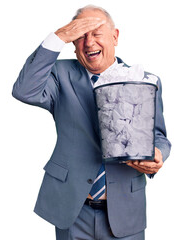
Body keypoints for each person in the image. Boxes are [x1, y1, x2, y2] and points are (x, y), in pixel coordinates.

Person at [12, 5, 171, 240]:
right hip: (72, 208)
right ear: (73, 44)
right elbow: (24, 91)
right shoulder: (58, 74)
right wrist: (58, 37)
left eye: (96, 33)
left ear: (114, 36)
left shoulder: (144, 80)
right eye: (80, 35)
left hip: (125, 209)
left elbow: (158, 135)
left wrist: (159, 154)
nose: (89, 43)